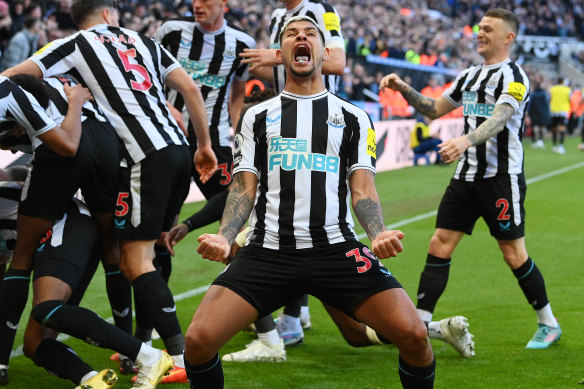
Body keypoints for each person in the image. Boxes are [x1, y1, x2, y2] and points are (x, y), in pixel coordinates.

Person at [184, 16, 436, 388]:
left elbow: (363, 189)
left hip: (335, 250)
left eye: (310, 34)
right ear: (281, 53)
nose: (301, 37)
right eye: (291, 34)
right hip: (268, 252)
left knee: (415, 336)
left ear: (323, 50)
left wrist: (378, 232)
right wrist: (225, 235)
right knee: (197, 341)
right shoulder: (256, 117)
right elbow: (242, 188)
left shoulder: (354, 117)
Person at [2, 0, 218, 378]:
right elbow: (190, 91)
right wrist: (204, 145)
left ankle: (177, 356)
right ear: (108, 13)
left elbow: (13, 77)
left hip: (139, 155)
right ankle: (138, 348)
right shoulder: (145, 41)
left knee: (130, 260)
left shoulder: (74, 44)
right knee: (138, 249)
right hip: (176, 151)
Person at [380, 8, 561, 350]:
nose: (480, 33)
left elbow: (502, 116)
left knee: (513, 254)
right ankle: (420, 324)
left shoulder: (515, 76)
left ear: (508, 37)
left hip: (500, 179)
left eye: (488, 29)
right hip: (465, 178)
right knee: (438, 244)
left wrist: (464, 141)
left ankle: (548, 323)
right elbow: (434, 109)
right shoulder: (468, 76)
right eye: (479, 28)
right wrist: (403, 87)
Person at [238, 0, 347, 350]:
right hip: (281, 116)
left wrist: (274, 57)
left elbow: (339, 62)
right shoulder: (275, 16)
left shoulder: (322, 10)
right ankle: (294, 312)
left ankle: (291, 318)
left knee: (305, 211)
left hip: (319, 121)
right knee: (285, 210)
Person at [549, 76, 571, 154]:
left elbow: (550, 99)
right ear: (563, 81)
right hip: (563, 111)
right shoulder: (567, 90)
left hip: (553, 110)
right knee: (562, 128)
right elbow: (569, 99)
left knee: (554, 128)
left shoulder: (552, 89)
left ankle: (554, 146)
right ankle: (561, 146)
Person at [527, 77, 551, 149]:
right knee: (541, 127)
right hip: (542, 113)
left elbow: (529, 104)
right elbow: (547, 104)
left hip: (534, 113)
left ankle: (534, 141)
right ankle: (540, 141)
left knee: (534, 127)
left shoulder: (533, 94)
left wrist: (528, 113)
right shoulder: (544, 94)